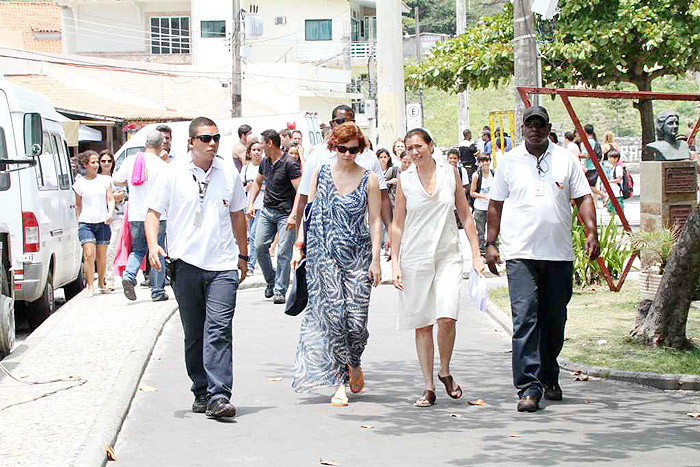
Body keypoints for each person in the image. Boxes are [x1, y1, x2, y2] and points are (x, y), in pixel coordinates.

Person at [485, 106, 600, 413]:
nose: (534, 130)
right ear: (522, 129)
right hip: (520, 254)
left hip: (558, 254)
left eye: (540, 125)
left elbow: (583, 197)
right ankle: (528, 386)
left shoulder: (565, 159)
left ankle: (550, 376)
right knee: (525, 319)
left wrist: (592, 232)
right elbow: (495, 204)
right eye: (529, 125)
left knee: (554, 318)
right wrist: (490, 242)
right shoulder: (509, 162)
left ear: (548, 128)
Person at [145, 116, 249, 419]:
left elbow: (238, 215)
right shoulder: (172, 173)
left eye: (216, 137)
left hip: (222, 264)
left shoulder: (228, 172)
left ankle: (219, 395)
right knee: (194, 333)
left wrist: (242, 256)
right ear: (191, 142)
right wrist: (153, 245)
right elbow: (152, 213)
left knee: (218, 329)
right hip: (185, 264)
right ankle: (201, 390)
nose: (212, 143)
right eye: (205, 138)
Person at [290, 122, 382, 406]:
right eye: (341, 148)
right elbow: (310, 212)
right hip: (324, 257)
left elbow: (375, 221)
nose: (347, 154)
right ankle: (338, 381)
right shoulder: (320, 173)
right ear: (333, 147)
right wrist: (299, 246)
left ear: (360, 149)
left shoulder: (370, 179)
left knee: (355, 323)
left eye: (353, 150)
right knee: (333, 319)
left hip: (357, 257)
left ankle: (354, 361)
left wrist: (377, 260)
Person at [391, 128, 485, 408]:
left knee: (447, 315)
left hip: (447, 254)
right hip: (415, 256)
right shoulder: (404, 181)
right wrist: (394, 262)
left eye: (419, 146)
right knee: (422, 324)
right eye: (409, 148)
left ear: (431, 146)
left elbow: (465, 215)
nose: (414, 152)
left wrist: (476, 255)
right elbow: (397, 224)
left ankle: (444, 370)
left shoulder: (449, 173)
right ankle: (429, 386)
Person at [291, 105, 393, 256]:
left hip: (357, 245)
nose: (346, 125)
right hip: (323, 246)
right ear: (332, 124)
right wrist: (300, 243)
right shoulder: (318, 158)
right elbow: (305, 203)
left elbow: (382, 199)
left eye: (351, 121)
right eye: (341, 121)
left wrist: (390, 231)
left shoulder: (368, 157)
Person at [246, 129, 301, 304]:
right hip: (267, 211)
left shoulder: (289, 163)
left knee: (283, 251)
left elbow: (300, 191)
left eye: (262, 142)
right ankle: (271, 281)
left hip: (285, 214)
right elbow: (257, 181)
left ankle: (280, 289)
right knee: (259, 246)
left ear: (269, 143)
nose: (260, 146)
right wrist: (250, 203)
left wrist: (294, 214)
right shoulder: (265, 162)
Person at [113, 131, 169, 302]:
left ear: (146, 143)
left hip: (136, 214)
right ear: (161, 145)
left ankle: (129, 275)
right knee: (157, 250)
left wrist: (130, 183)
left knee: (138, 250)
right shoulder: (162, 165)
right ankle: (157, 291)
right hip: (157, 215)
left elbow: (116, 180)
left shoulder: (131, 161)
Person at [73, 150, 115, 297]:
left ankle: (101, 282)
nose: (96, 165)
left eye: (97, 162)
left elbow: (110, 198)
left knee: (101, 256)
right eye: (93, 162)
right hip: (86, 223)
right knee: (89, 254)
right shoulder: (79, 183)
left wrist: (110, 213)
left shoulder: (105, 180)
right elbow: (78, 204)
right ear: (85, 164)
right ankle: (90, 285)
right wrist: (78, 220)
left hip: (102, 221)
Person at [99, 150, 126, 291]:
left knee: (111, 250)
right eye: (103, 161)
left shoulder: (116, 179)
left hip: (116, 218)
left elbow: (122, 195)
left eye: (109, 161)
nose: (106, 164)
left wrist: (108, 197)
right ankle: (102, 280)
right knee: (100, 252)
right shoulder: (95, 179)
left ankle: (109, 280)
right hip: (98, 219)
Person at [242, 140, 264, 275]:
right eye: (254, 150)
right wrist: (246, 187)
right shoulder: (246, 168)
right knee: (251, 235)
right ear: (249, 152)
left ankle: (251, 265)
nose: (256, 152)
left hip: (262, 205)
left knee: (256, 235)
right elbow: (239, 187)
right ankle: (259, 261)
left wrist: (260, 187)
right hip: (249, 205)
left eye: (259, 150)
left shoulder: (265, 166)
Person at [470, 154, 494, 255]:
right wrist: (484, 196)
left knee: (493, 230)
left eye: (487, 161)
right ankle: (482, 252)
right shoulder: (476, 175)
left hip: (491, 207)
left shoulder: (493, 173)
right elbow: (472, 192)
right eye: (482, 161)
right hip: (480, 208)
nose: (485, 163)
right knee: (480, 231)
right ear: (479, 163)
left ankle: (493, 249)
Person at [606, 150, 624, 215]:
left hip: (617, 194)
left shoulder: (618, 168)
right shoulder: (613, 168)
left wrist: (608, 181)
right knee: (610, 211)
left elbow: (619, 179)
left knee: (617, 212)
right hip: (613, 194)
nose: (609, 159)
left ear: (616, 159)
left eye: (610, 158)